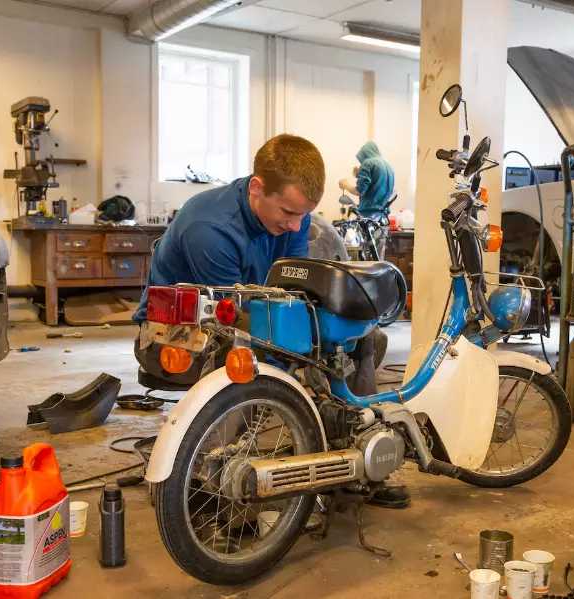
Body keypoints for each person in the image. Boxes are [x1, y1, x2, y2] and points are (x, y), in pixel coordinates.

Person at [131, 134, 407, 506]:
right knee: (239, 354)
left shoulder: (293, 219)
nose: (296, 226)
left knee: (361, 337)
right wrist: (299, 362)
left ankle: (356, 456)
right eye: (288, 213)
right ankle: (205, 483)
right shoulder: (208, 227)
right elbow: (231, 320)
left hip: (256, 313)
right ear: (258, 188)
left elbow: (293, 288)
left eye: (303, 214)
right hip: (174, 333)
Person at [338, 141, 395, 218]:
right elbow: (377, 184)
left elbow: (359, 191)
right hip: (383, 216)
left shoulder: (367, 163)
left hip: (369, 216)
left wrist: (345, 185)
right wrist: (360, 173)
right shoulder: (388, 167)